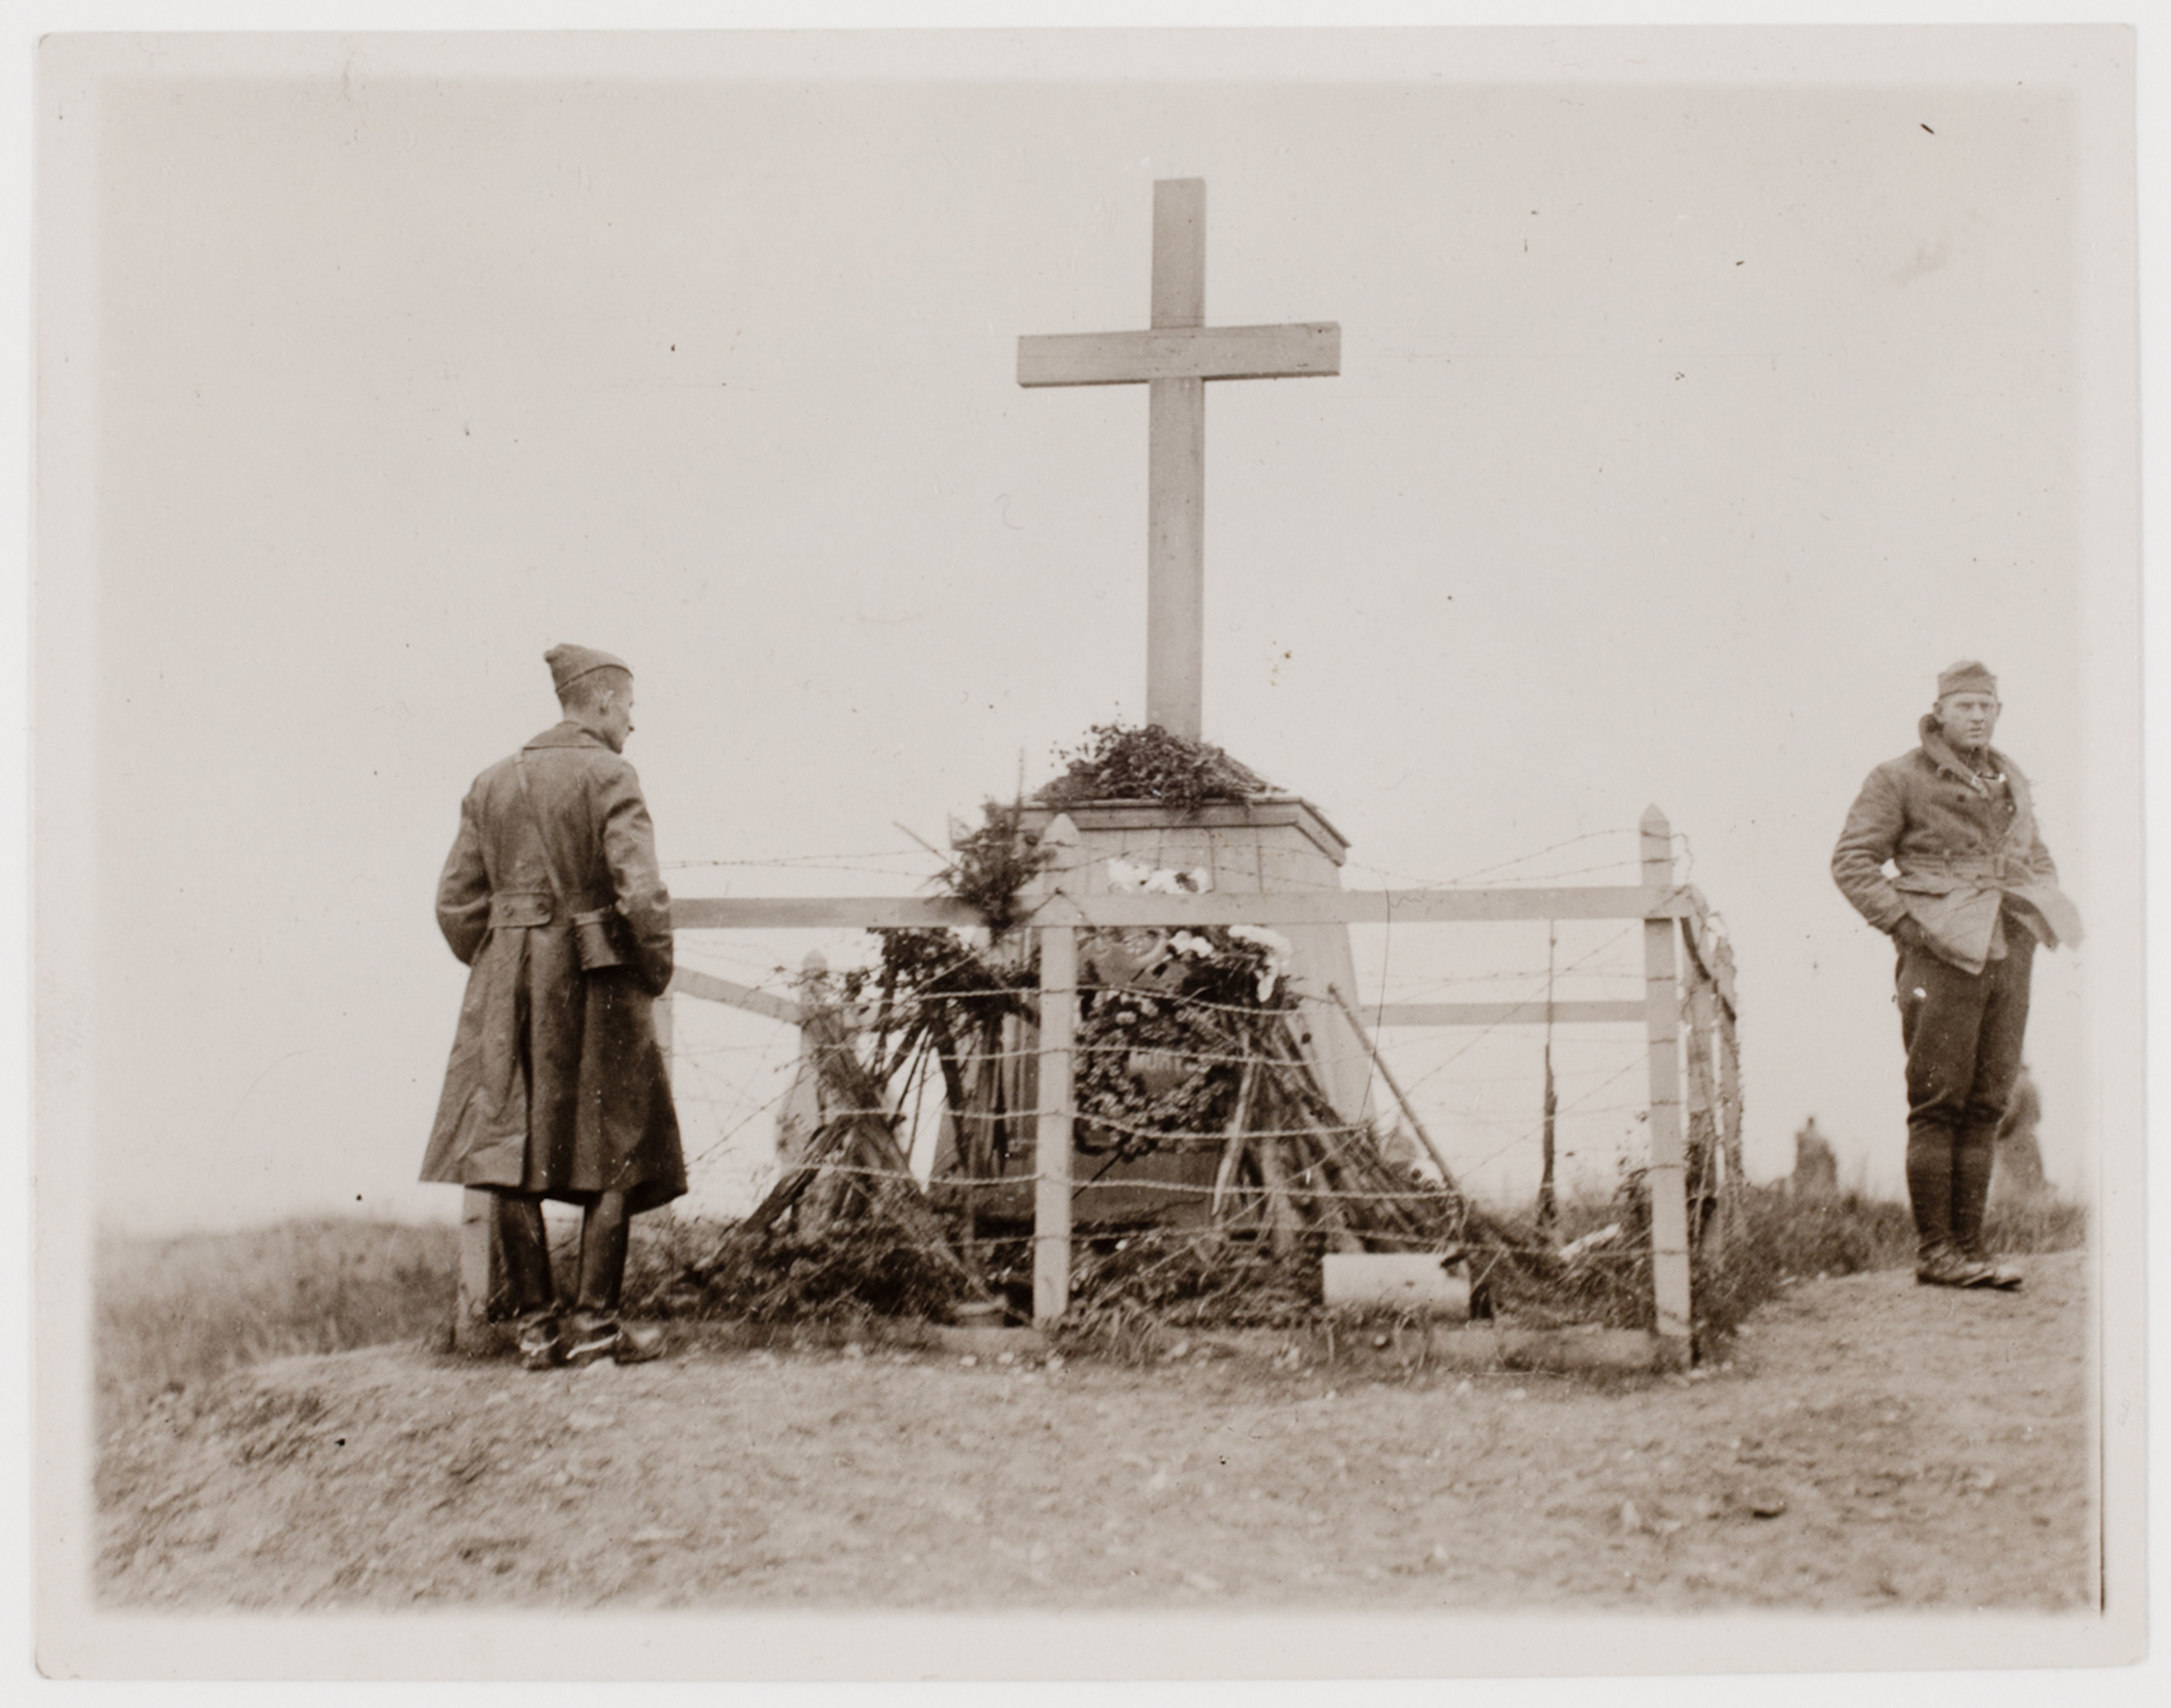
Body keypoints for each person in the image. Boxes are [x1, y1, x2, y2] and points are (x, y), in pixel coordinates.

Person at [421, 644, 685, 1367]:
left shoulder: (491, 781)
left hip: (508, 986)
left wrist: (506, 953)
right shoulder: (612, 774)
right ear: (601, 701)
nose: (633, 722)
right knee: (616, 1139)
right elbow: (641, 895)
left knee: (507, 1142)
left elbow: (454, 904)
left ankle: (537, 1331)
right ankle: (596, 1329)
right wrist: (652, 969)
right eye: (629, 706)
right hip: (597, 982)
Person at [1832, 661, 2081, 1290]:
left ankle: (1971, 1249)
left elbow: (2036, 855)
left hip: (2008, 948)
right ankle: (1936, 1249)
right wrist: (1910, 926)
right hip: (1939, 955)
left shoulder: (2009, 779)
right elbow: (1852, 862)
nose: (1976, 715)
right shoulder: (1897, 778)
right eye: (1964, 705)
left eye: (1986, 705)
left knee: (1990, 1101)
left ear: (1998, 711)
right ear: (1938, 711)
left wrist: (2035, 908)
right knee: (1939, 1101)